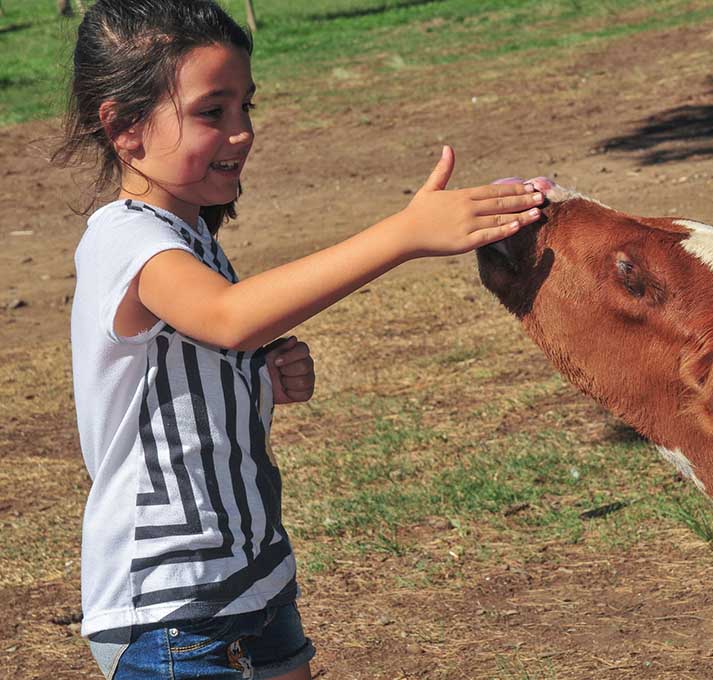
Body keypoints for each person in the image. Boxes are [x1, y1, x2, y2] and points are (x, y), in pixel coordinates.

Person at [53, 1, 545, 678]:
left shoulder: (190, 236)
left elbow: (203, 354)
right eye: (211, 111)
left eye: (245, 107)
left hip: (252, 578)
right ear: (124, 127)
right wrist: (402, 236)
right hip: (170, 609)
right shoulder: (124, 238)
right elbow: (228, 318)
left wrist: (262, 376)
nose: (242, 132)